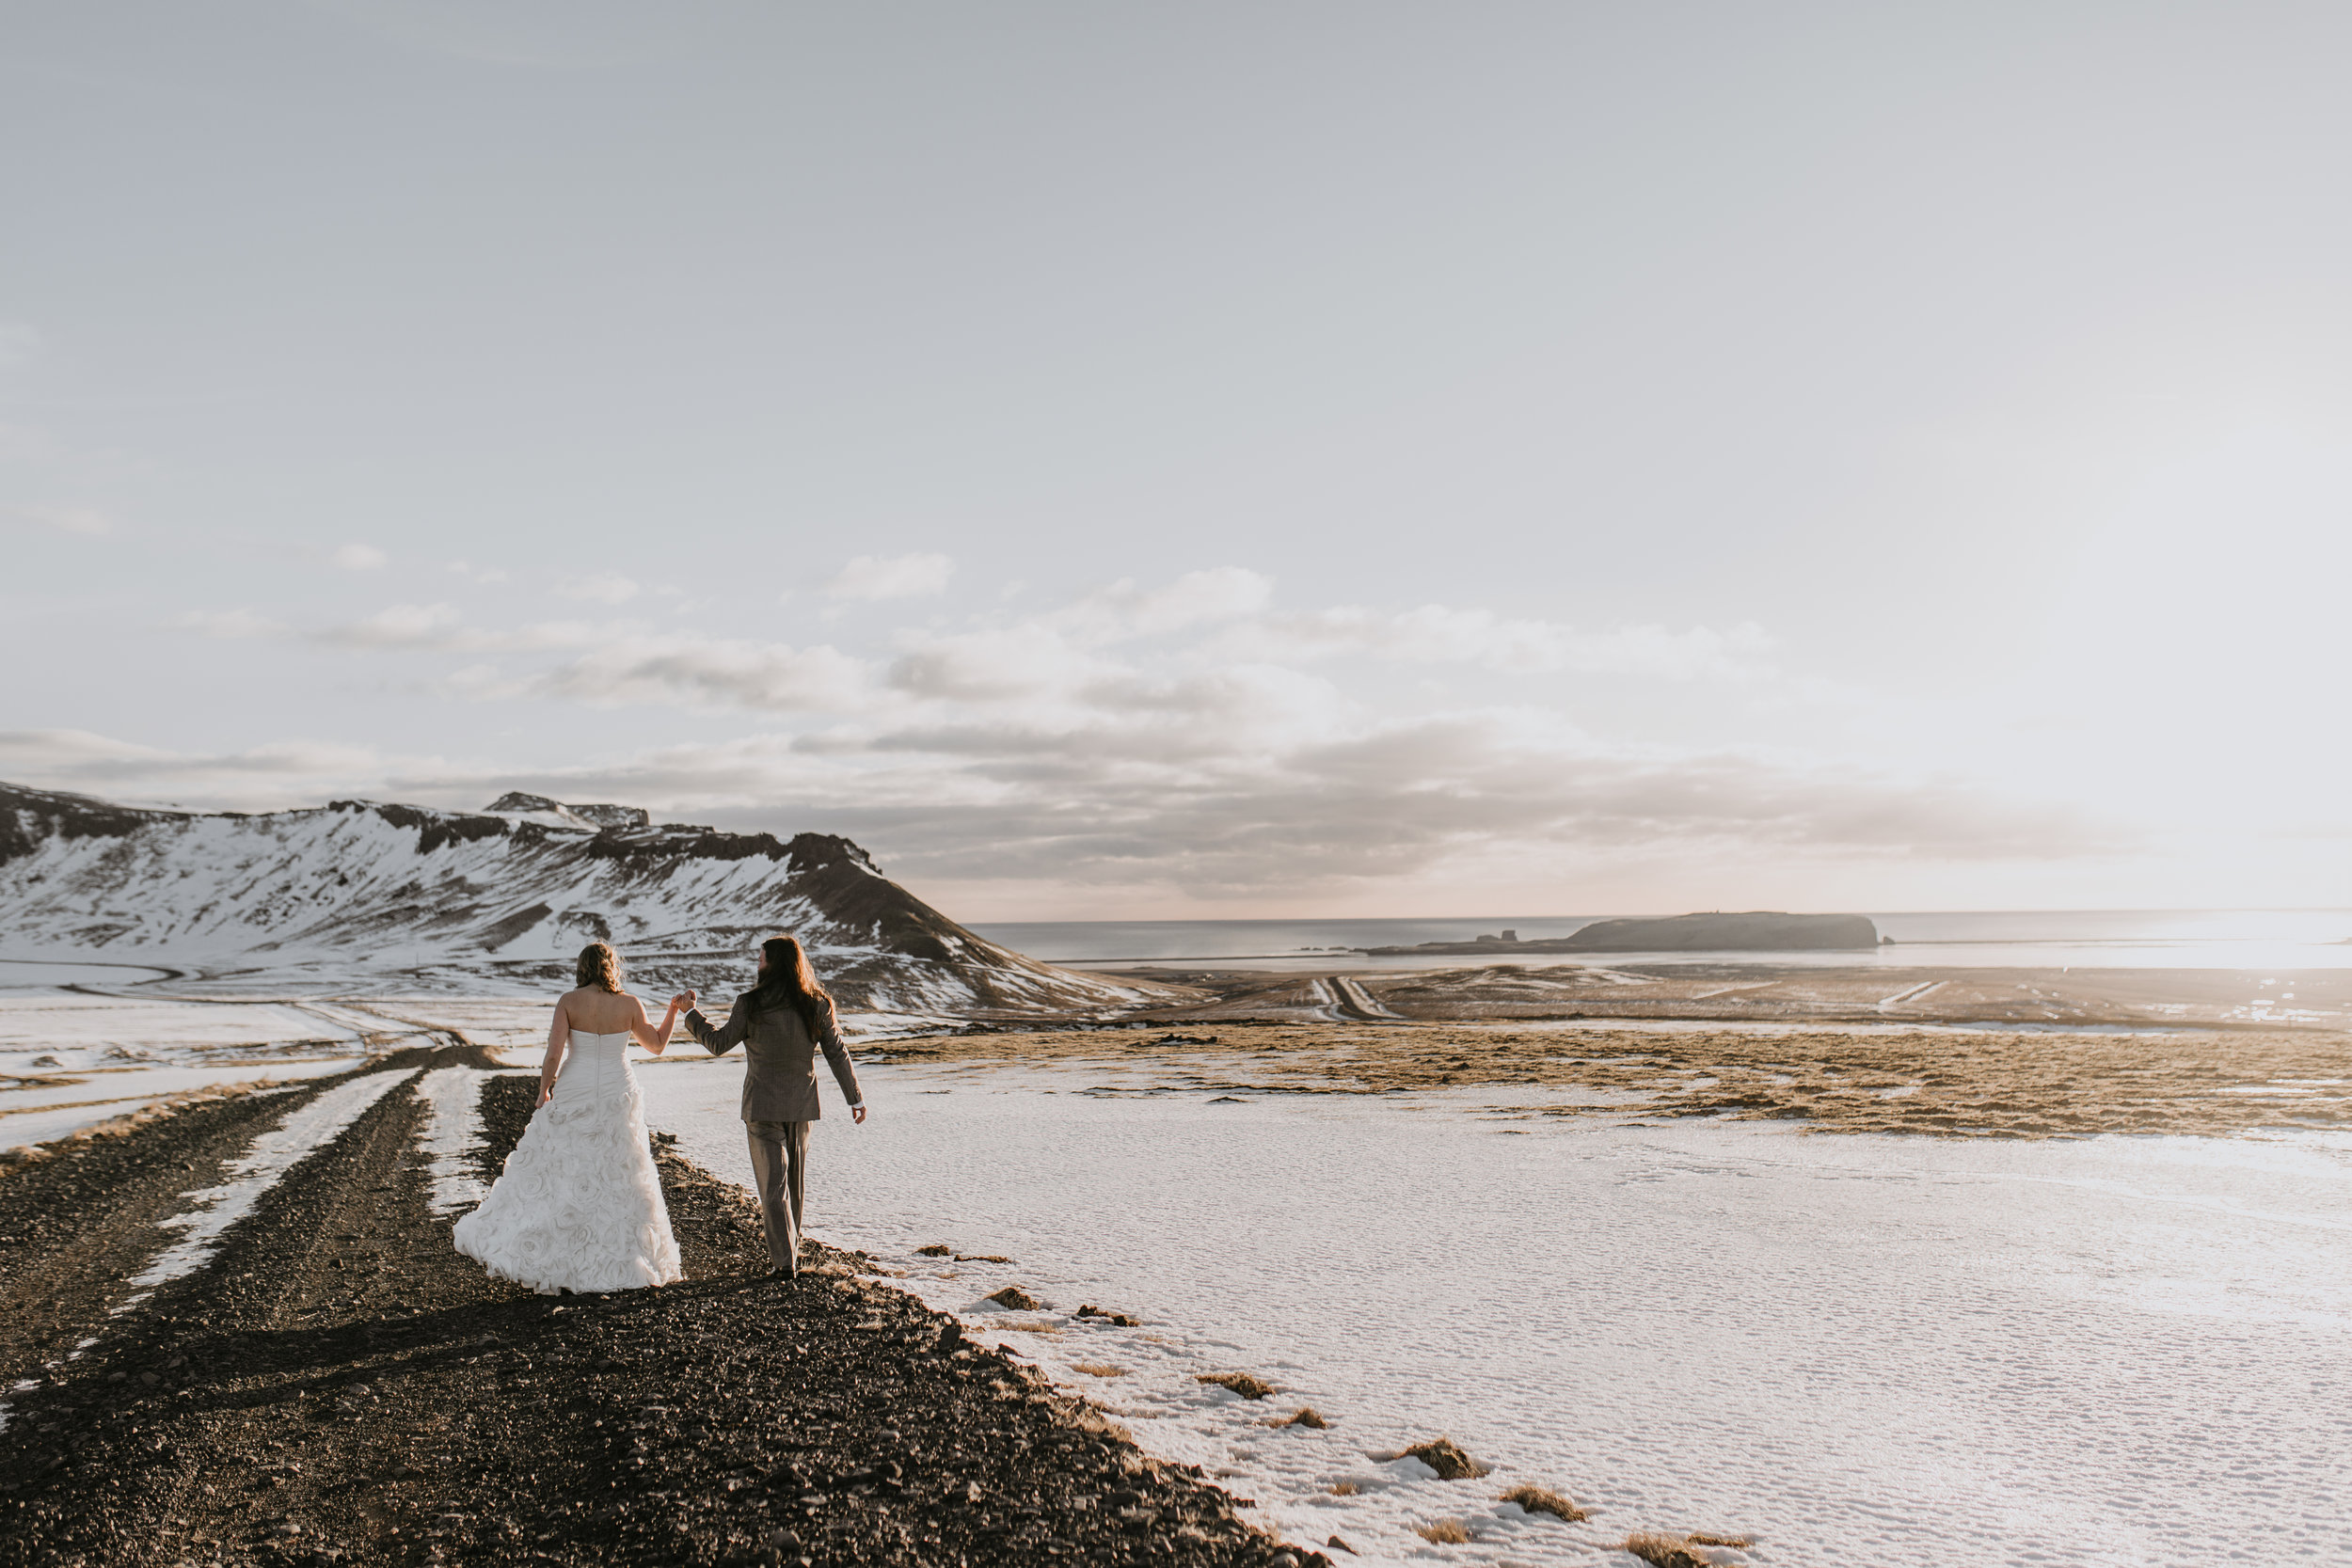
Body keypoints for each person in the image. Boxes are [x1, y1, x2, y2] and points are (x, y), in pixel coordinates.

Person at [453, 942, 689, 1294]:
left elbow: (553, 1053)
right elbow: (656, 1045)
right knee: (619, 1167)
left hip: (575, 1084)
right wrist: (673, 1010)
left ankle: (562, 1245)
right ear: (611, 967)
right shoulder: (629, 1004)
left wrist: (543, 1090)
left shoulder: (568, 1002)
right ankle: (625, 1252)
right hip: (616, 1089)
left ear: (582, 968)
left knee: (567, 1163)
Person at [677, 932, 866, 1281]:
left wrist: (691, 1014)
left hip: (762, 1107)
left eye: (761, 957)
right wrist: (854, 1097)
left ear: (774, 963)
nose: (757, 963)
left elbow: (718, 1043)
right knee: (793, 1186)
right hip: (800, 1106)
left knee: (773, 1187)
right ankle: (789, 1256)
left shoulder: (750, 1003)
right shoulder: (816, 1003)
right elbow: (837, 1051)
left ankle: (785, 1263)